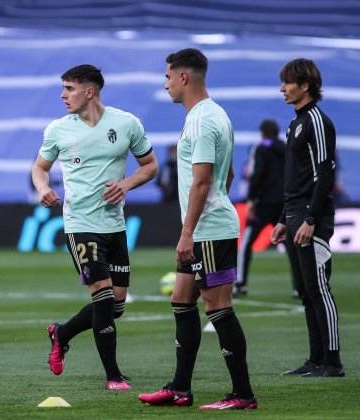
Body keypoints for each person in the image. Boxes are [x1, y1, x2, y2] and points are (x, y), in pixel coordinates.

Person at [138, 48, 257, 410]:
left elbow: (203, 182)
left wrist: (188, 232)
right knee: (181, 298)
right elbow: (229, 174)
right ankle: (179, 388)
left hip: (208, 230)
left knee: (218, 306)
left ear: (184, 78)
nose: (166, 84)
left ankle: (242, 394)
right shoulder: (213, 115)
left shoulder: (203, 121)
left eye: (168, 77)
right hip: (209, 224)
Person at [31, 64, 158, 390]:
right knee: (101, 298)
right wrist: (42, 188)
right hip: (80, 223)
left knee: (116, 305)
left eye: (69, 89)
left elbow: (150, 166)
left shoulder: (126, 123)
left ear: (90, 91)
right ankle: (113, 376)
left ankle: (62, 333)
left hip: (114, 224)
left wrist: (127, 184)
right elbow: (39, 168)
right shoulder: (58, 129)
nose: (63, 95)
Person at [270, 58, 344, 377]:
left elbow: (324, 173)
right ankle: (315, 360)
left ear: (306, 86)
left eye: (288, 82)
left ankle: (333, 361)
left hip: (312, 215)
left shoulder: (316, 121)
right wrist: (285, 218)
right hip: (296, 212)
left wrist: (311, 218)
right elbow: (296, 178)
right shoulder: (295, 123)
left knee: (319, 288)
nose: (282, 88)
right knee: (304, 289)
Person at [233, 119, 298, 297]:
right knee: (291, 245)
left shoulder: (260, 148)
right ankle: (298, 286)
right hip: (284, 203)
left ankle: (240, 283)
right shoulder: (286, 148)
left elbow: (256, 175)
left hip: (263, 204)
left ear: (262, 132)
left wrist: (252, 199)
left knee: (246, 243)